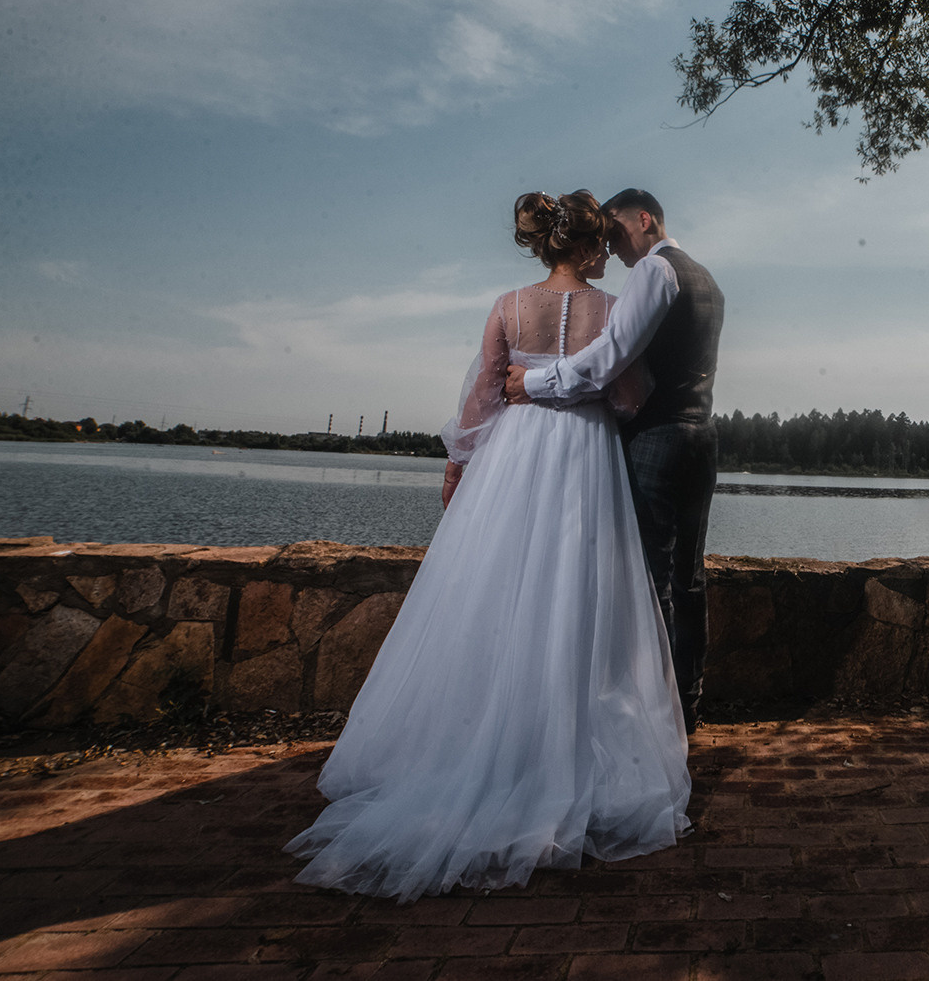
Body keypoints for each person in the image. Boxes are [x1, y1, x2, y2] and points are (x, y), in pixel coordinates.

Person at [284, 190, 691, 903]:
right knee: (577, 600)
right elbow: (627, 396)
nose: (605, 253)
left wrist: (459, 462)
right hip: (583, 457)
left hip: (512, 460)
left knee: (497, 596)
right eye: (599, 243)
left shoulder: (507, 305)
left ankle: (485, 748)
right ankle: (559, 754)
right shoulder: (607, 309)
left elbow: (481, 396)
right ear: (587, 246)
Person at [507, 188, 723, 732]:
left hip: (658, 440)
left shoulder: (655, 272)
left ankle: (656, 716)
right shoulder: (707, 278)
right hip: (702, 437)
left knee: (650, 582)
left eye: (616, 230)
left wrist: (534, 382)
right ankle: (688, 704)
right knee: (688, 577)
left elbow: (607, 360)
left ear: (644, 219)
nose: (610, 244)